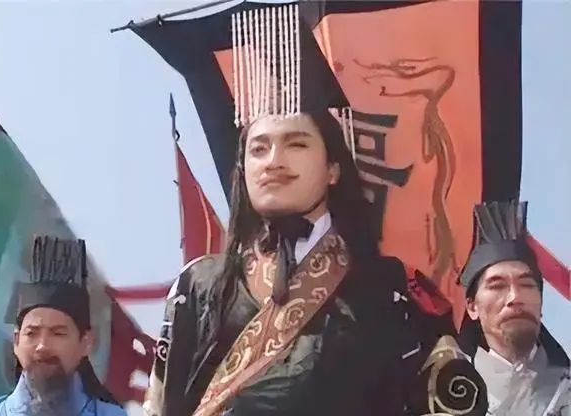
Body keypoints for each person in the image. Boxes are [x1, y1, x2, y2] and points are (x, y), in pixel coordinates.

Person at [144, 5, 486, 416]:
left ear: (333, 169)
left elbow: (453, 398)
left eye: (297, 144)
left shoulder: (392, 289)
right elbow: (159, 405)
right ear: (243, 172)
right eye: (259, 149)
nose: (273, 161)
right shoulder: (198, 287)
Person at [0, 236, 127, 416]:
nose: (42, 346)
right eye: (31, 334)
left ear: (85, 343)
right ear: (16, 342)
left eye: (58, 333)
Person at [458, 200, 570, 415]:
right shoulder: (443, 400)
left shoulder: (564, 391)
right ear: (472, 307)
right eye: (497, 286)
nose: (515, 297)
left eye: (526, 285)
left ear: (541, 302)